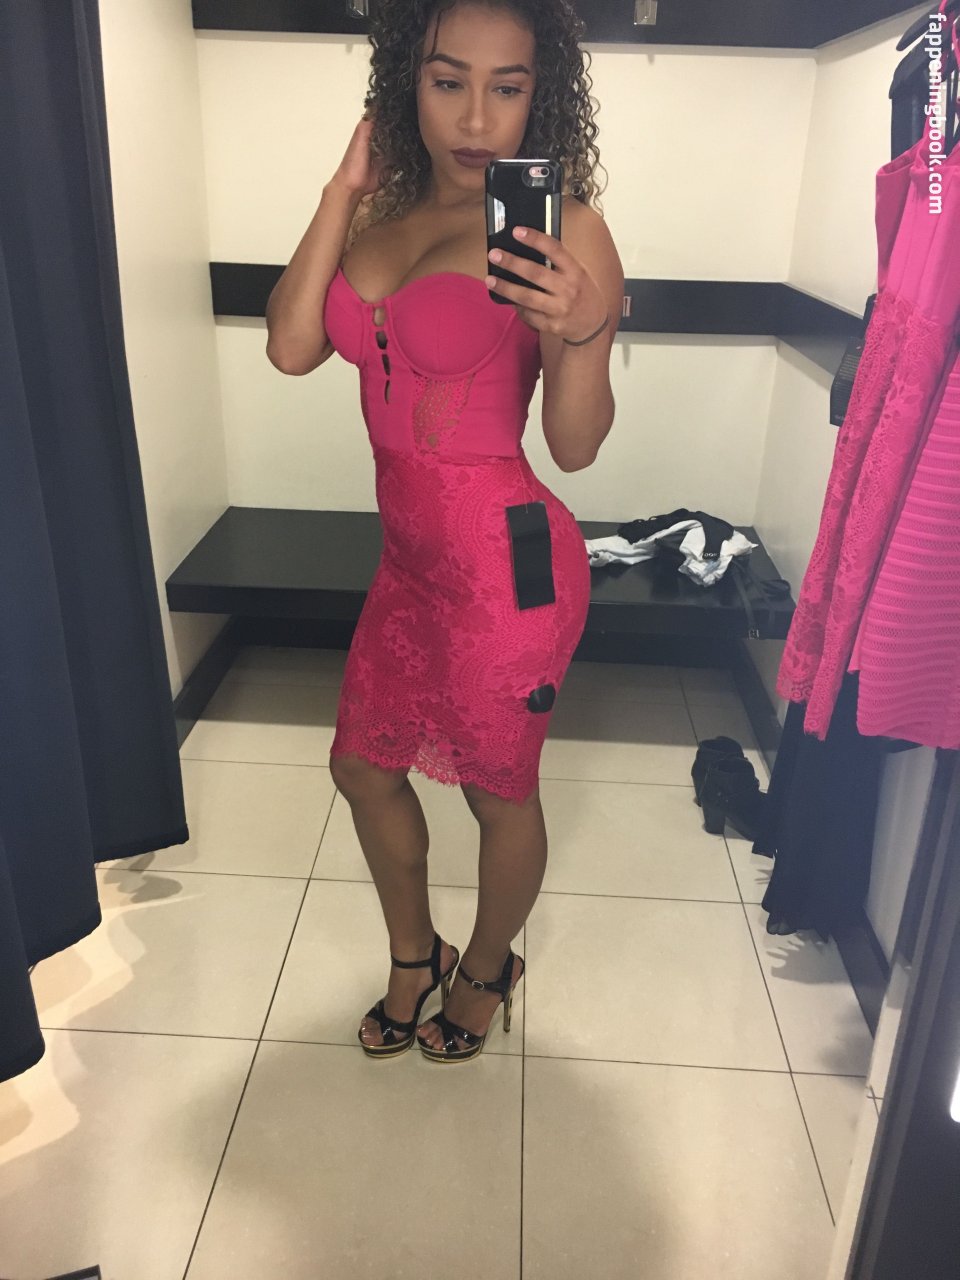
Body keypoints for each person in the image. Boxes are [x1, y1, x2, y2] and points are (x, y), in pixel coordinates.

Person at [266, 0, 623, 1063]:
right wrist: (339, 192)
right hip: (412, 566)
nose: (476, 117)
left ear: (540, 95)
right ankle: (414, 954)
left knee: (495, 790)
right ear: (404, 84)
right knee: (362, 766)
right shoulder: (380, 217)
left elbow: (575, 446)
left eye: (508, 87)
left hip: (512, 570)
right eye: (447, 80)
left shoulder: (561, 227)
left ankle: (488, 966)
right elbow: (291, 345)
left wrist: (585, 330)